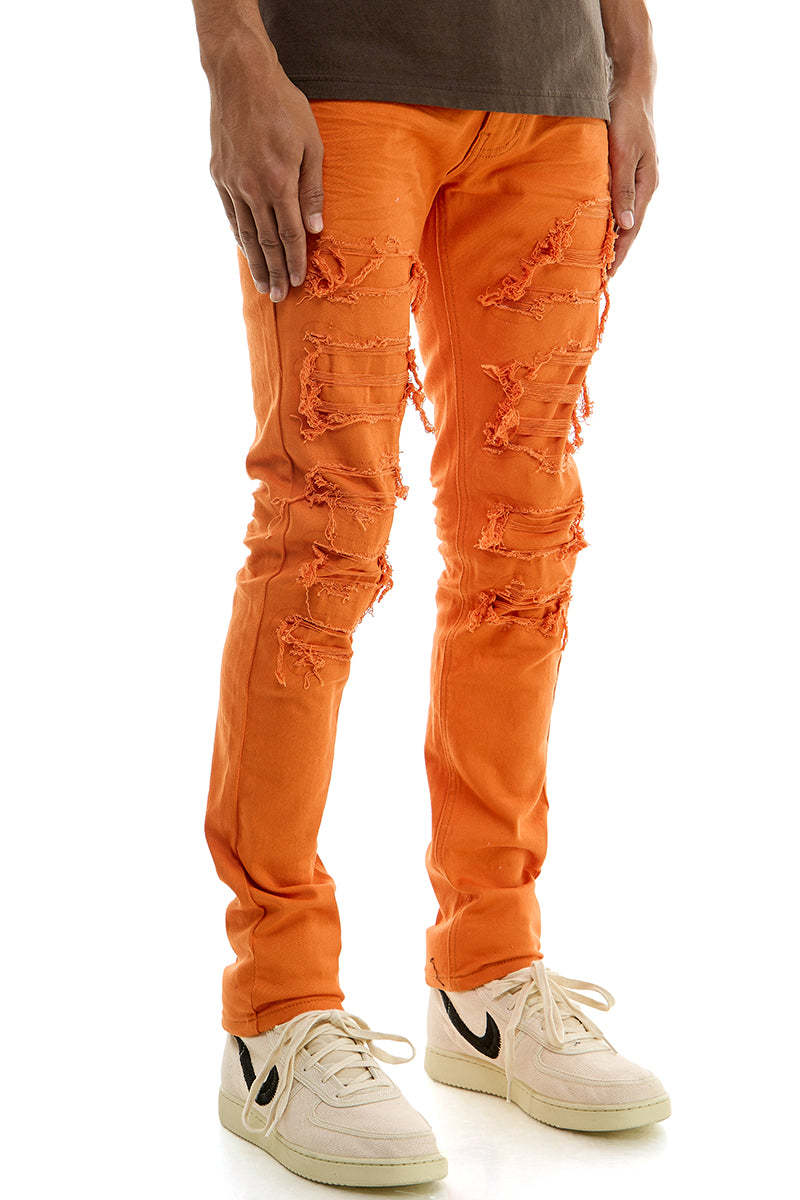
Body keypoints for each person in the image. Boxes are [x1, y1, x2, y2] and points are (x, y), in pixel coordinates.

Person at [192, 0, 667, 1186]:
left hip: (551, 93)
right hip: (341, 76)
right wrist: (234, 55)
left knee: (523, 545)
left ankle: (486, 973)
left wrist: (632, 61)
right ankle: (275, 1012)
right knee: (321, 534)